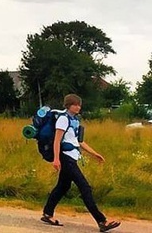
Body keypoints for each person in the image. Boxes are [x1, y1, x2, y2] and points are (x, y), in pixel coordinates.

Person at [41, 94, 120, 232]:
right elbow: (57, 141)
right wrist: (56, 159)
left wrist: (95, 154)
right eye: (75, 104)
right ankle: (102, 221)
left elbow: (80, 142)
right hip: (66, 158)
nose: (78, 107)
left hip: (72, 157)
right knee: (85, 188)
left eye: (79, 104)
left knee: (63, 187)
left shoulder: (75, 120)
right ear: (68, 105)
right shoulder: (63, 120)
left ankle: (47, 213)